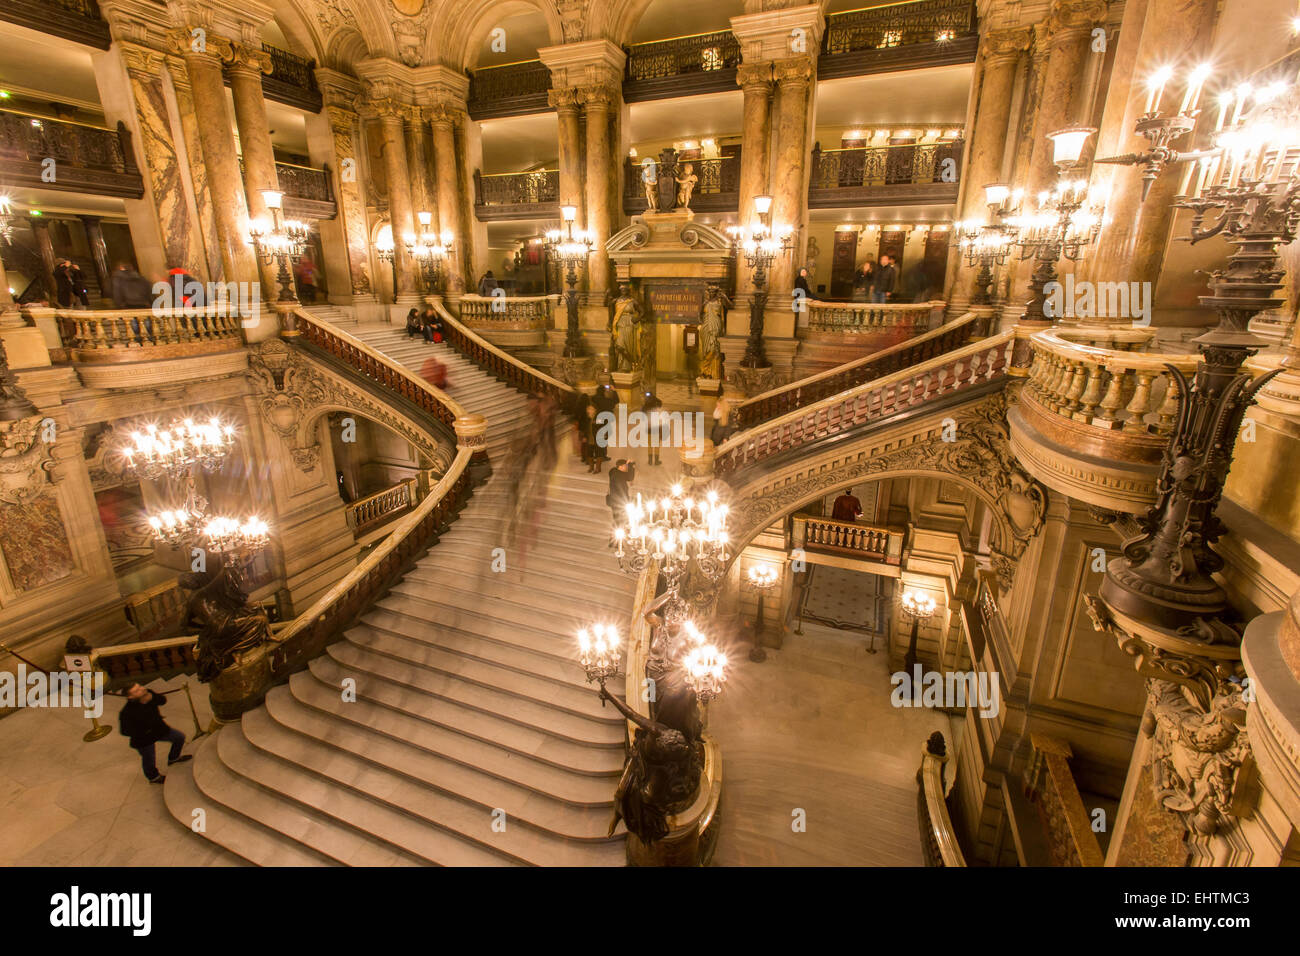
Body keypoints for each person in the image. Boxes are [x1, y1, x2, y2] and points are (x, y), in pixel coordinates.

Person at [118, 683, 191, 783]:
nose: (142, 689)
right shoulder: (126, 712)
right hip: (144, 739)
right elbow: (125, 731)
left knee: (179, 737)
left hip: (159, 729)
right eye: (137, 691)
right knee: (149, 758)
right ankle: (153, 777)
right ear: (130, 697)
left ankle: (173, 758)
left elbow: (163, 701)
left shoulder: (148, 694)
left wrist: (153, 698)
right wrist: (144, 729)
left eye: (139, 687)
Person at [607, 458, 636, 525]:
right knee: (621, 516)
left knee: (616, 516)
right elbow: (630, 477)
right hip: (619, 499)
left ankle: (618, 527)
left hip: (613, 499)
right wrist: (631, 465)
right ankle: (621, 528)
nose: (626, 468)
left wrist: (629, 464)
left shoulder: (613, 471)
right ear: (620, 466)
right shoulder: (619, 475)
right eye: (625, 466)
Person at [643, 392, 664, 466]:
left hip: (649, 429)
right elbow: (660, 403)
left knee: (650, 445)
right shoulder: (657, 405)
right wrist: (654, 398)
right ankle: (656, 461)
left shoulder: (645, 406)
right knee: (656, 445)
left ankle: (650, 461)